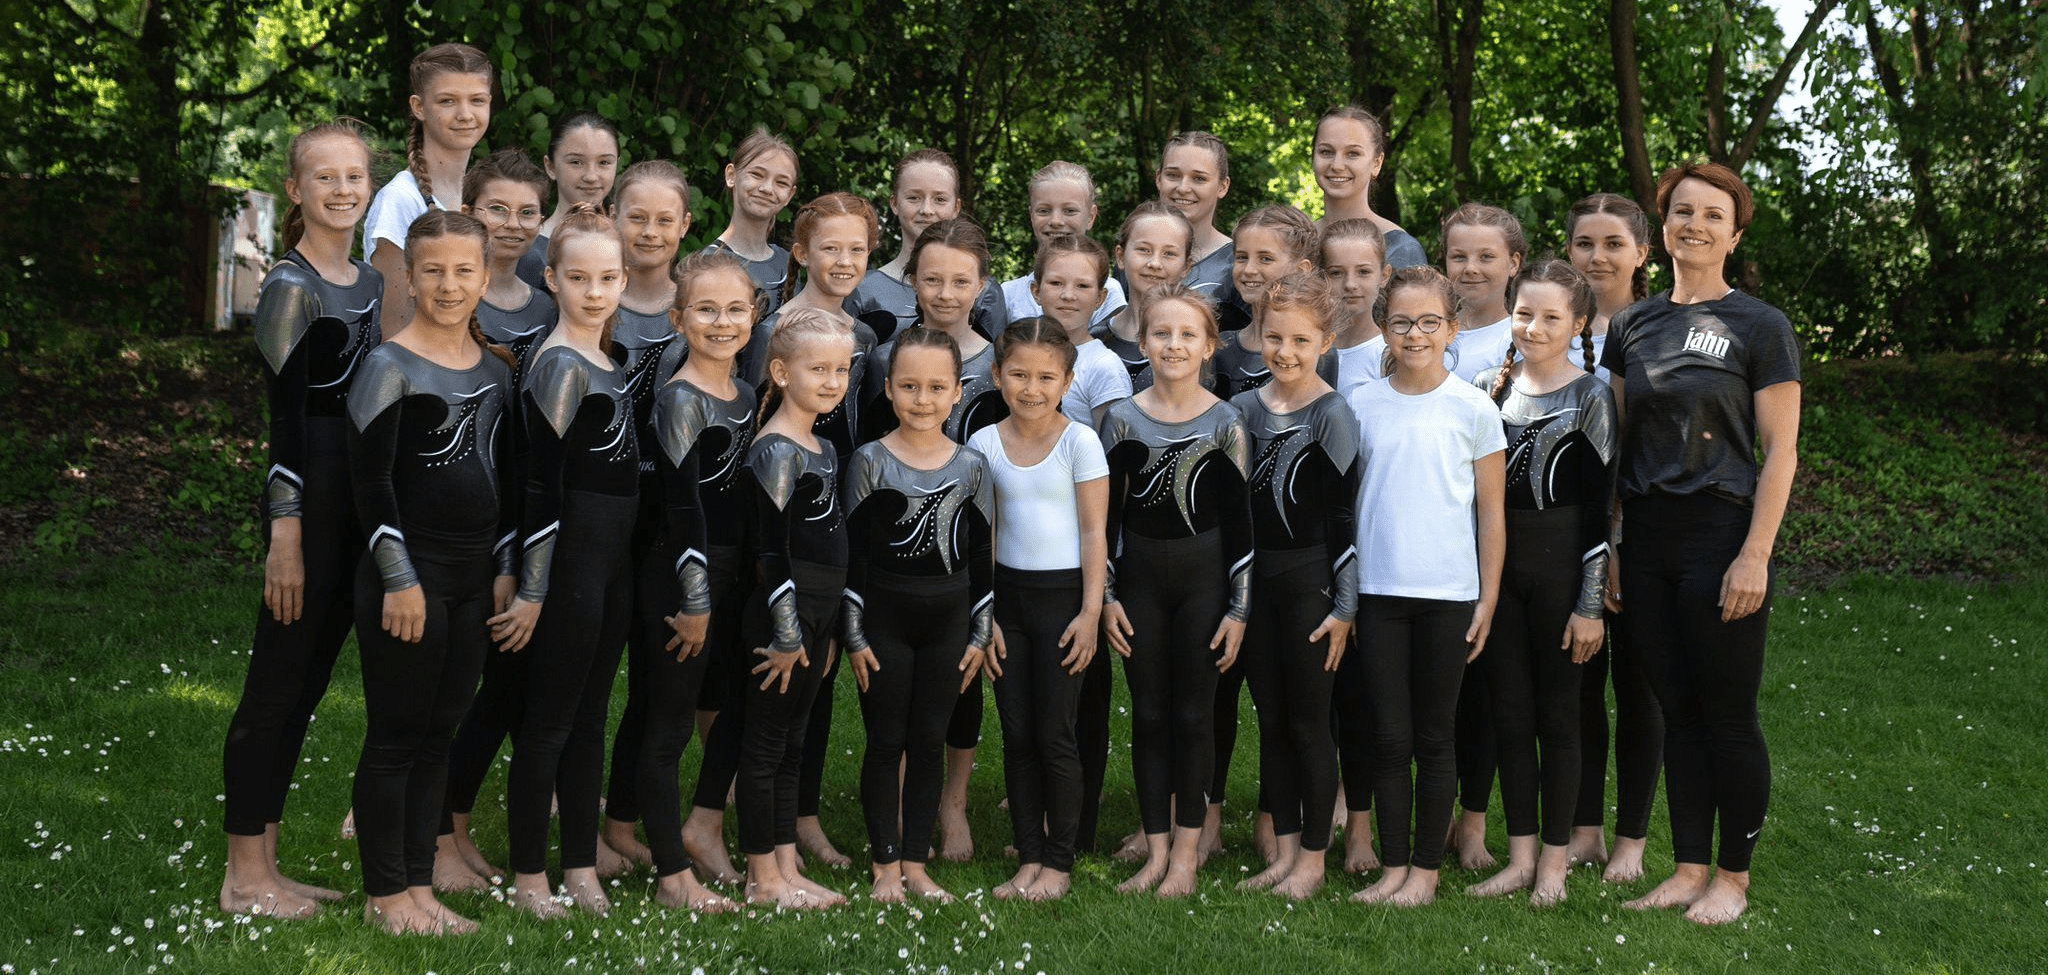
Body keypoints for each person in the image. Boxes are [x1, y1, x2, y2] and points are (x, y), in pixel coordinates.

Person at [1606, 162, 1800, 926]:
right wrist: (1613, 541)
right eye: (1681, 210)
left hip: (1721, 535)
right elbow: (1618, 444)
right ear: (1664, 228)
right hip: (1647, 538)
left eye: (1712, 214)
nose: (1695, 223)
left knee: (1727, 713)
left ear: (1735, 231)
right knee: (1675, 710)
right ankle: (1687, 867)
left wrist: (1755, 552)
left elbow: (1780, 451)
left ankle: (1733, 876)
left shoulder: (1760, 325)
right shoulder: (1633, 324)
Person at [221, 121, 382, 919]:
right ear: (295, 190)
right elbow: (285, 425)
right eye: (326, 177)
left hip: (357, 501)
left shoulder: (371, 282)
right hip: (309, 505)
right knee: (275, 685)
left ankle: (270, 866)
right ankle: (242, 874)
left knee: (310, 682)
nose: (343, 189)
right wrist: (285, 536)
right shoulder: (291, 286)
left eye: (355, 176)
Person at [345, 209, 517, 935]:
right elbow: (370, 487)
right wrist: (399, 578)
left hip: (473, 575)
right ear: (408, 277)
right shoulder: (388, 366)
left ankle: (420, 885)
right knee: (396, 731)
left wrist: (505, 570)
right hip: (406, 575)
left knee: (441, 729)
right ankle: (386, 894)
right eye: (434, 270)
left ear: (484, 276)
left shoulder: (494, 370)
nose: (450, 285)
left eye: (464, 270)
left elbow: (508, 482)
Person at [488, 206, 639, 919]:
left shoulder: (610, 360)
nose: (595, 289)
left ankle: (581, 865)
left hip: (612, 568)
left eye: (608, 277)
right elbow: (540, 488)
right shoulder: (557, 365)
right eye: (578, 277)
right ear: (551, 278)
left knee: (588, 721)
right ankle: (527, 878)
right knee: (550, 722)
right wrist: (535, 588)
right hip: (570, 567)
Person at [1347, 265, 1506, 908]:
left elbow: (1491, 512)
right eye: (1403, 322)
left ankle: (1427, 870)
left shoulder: (1473, 407)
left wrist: (1488, 595)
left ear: (1452, 327)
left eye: (1430, 322)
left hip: (1449, 595)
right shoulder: (1359, 404)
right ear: (1383, 327)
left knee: (1436, 735)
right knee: (1389, 735)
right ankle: (1393, 867)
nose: (1416, 334)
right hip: (1378, 593)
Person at [860, 217, 1010, 860]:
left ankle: (951, 802)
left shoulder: (999, 360)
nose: (945, 292)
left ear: (981, 286)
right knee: (896, 713)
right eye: (932, 279)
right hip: (896, 556)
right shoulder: (882, 359)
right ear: (912, 281)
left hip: (974, 529)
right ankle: (894, 819)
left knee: (960, 689)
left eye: (960, 281)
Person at [1466, 259, 1615, 907]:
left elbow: (1601, 511)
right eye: (1525, 312)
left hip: (1562, 578)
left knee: (1558, 718)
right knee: (1509, 714)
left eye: (1553, 316)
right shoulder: (1485, 390)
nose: (1535, 325)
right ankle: (1520, 854)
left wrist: (1590, 605)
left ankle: (1555, 861)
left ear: (1578, 323)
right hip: (1499, 575)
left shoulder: (1592, 397)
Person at [1099, 284, 1253, 899]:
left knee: (1194, 714)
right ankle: (1156, 850)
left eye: (1189, 335)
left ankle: (1189, 853)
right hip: (1138, 583)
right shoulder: (1121, 419)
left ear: (1209, 347)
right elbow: (1106, 523)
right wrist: (1107, 597)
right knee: (1151, 714)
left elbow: (1242, 528)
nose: (1174, 344)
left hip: (1204, 583)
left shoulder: (1225, 421)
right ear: (1143, 342)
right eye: (1162, 333)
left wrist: (1240, 608)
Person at [841, 327, 995, 904]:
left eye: (936, 387)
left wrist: (980, 632)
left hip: (949, 624)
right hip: (883, 620)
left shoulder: (972, 466)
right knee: (885, 742)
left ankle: (916, 863)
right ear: (888, 389)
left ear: (958, 392)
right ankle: (885, 867)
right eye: (909, 386)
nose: (922, 399)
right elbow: (852, 557)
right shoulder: (868, 461)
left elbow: (982, 559)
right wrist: (854, 634)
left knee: (929, 742)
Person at [631, 249, 760, 915]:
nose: (721, 321)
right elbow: (682, 507)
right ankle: (673, 876)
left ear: (753, 314)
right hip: (683, 577)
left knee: (736, 704)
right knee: (671, 723)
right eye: (706, 309)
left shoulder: (747, 393)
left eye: (735, 309)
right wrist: (696, 598)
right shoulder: (680, 397)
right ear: (679, 319)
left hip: (736, 572)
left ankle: (704, 824)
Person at [966, 318, 1109, 901]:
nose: (1031, 388)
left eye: (1046, 377)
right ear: (997, 376)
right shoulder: (983, 445)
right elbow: (986, 536)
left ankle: (1059, 861)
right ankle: (1027, 855)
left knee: (1056, 733)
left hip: (1063, 603)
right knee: (1017, 733)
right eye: (1019, 374)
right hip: (1009, 604)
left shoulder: (1080, 441)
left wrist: (1091, 614)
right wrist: (988, 615)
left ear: (1067, 381)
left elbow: (1095, 531)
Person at [1228, 272, 1360, 901]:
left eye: (1301, 340)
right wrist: (1238, 597)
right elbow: (1234, 516)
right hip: (1260, 584)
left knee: (1310, 722)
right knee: (1273, 719)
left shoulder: (1333, 413)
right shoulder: (1245, 410)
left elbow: (1342, 519)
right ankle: (1283, 852)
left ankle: (1312, 857)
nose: (1284, 351)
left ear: (1325, 341)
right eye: (1274, 337)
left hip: (1312, 583)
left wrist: (1345, 605)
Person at [1200, 204, 1317, 862]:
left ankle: (1277, 816)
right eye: (1240, 256)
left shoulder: (1304, 355)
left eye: (1264, 258)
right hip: (1219, 548)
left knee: (1279, 695)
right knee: (1218, 684)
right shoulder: (1217, 346)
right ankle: (1208, 814)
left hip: (1289, 555)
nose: (1247, 268)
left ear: (1301, 269)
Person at [735, 308, 858, 910]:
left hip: (818, 613)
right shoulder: (778, 448)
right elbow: (772, 553)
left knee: (794, 743)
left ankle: (785, 861)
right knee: (764, 747)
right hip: (783, 617)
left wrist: (828, 628)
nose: (833, 381)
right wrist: (789, 634)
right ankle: (763, 878)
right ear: (781, 372)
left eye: (842, 369)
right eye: (819, 369)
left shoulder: (824, 443)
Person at [596, 160, 695, 875]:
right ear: (613, 218)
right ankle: (571, 823)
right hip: (599, 509)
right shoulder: (593, 297)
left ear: (686, 225)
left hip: (666, 513)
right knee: (591, 675)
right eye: (638, 217)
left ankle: (621, 816)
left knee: (656, 685)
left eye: (666, 219)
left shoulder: (698, 312)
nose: (651, 231)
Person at [1563, 191, 1661, 882]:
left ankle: (1632, 837)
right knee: (1576, 687)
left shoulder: (1659, 329)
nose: (1597, 256)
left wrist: (1620, 541)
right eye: (1584, 244)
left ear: (1641, 253)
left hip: (1640, 537)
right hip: (1562, 533)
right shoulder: (1546, 323)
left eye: (1612, 244)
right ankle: (1583, 825)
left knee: (1638, 688)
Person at [1437, 202, 1528, 867]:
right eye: (1458, 256)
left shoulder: (1523, 343)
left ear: (1514, 264)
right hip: (1431, 538)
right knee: (1434, 688)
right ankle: (1427, 812)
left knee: (1487, 685)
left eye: (1485, 256)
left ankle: (1472, 825)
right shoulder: (1423, 335)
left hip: (1500, 535)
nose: (1470, 268)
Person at [738, 191, 881, 460]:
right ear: (802, 254)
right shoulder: (774, 332)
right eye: (831, 248)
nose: (845, 261)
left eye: (857, 250)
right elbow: (752, 427)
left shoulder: (864, 336)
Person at [365, 42, 494, 336]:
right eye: (447, 101)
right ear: (419, 107)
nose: (465, 114)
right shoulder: (400, 201)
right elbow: (394, 331)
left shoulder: (482, 197)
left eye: (477, 100)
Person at [844, 147, 1009, 343]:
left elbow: (995, 364)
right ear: (895, 204)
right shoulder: (862, 289)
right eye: (914, 198)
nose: (926, 210)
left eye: (939, 199)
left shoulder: (984, 291)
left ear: (956, 207)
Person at [463, 148, 557, 385]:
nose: (513, 224)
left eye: (527, 213)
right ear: (468, 214)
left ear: (541, 223)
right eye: (498, 209)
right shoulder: (451, 297)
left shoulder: (545, 306)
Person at [1000, 161, 1126, 325]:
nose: (1056, 221)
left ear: (1090, 217)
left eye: (1069, 211)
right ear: (1031, 215)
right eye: (1044, 211)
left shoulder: (1109, 292)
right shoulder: (1009, 294)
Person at [1031, 234, 1130, 426]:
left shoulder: (1103, 366)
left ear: (1100, 298)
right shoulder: (1018, 351)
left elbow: (1113, 448)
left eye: (1082, 286)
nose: (1068, 295)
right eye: (1056, 283)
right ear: (1036, 291)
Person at [516, 113, 622, 293]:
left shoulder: (625, 247)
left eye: (604, 162)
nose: (591, 176)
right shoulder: (530, 253)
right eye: (576, 162)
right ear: (551, 167)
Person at [1311, 106, 1428, 267]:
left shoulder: (1400, 249)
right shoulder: (1293, 243)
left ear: (1376, 163)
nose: (1337, 165)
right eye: (1326, 152)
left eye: (1353, 154)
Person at [701, 129, 799, 318]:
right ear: (731, 175)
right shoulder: (708, 263)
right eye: (757, 174)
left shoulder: (787, 263)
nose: (767, 188)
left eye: (781, 182)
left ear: (790, 195)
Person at [1097, 201, 1194, 389]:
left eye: (1169, 253)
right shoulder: (1096, 341)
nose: (1155, 263)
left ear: (1186, 266)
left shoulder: (1197, 345)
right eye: (1144, 250)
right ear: (1120, 256)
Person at [1318, 218, 1392, 403]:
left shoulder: (1390, 354)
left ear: (1384, 276)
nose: (1350, 284)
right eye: (1336, 273)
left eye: (1363, 272)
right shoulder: (1306, 347)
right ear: (1322, 277)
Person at [1155, 132, 1235, 298]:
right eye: (1173, 175)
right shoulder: (1135, 255)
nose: (1183, 188)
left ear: (1222, 186)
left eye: (1199, 178)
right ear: (1158, 179)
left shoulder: (1237, 263)